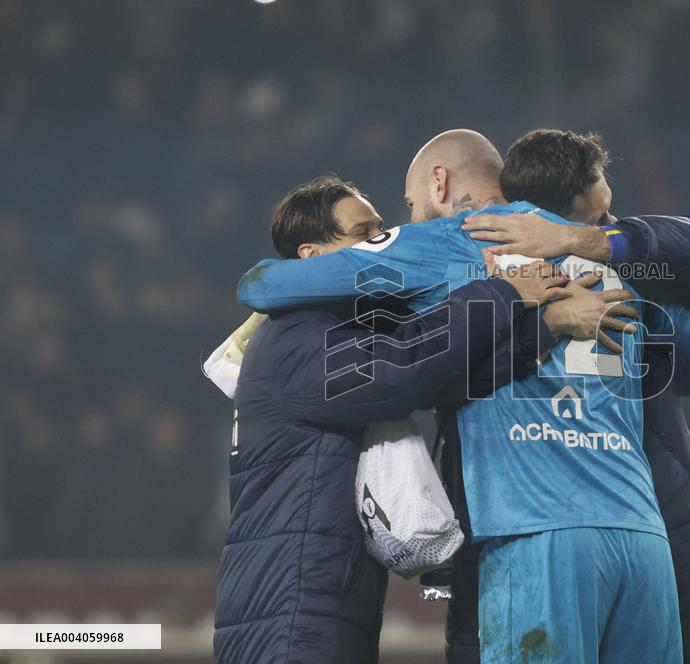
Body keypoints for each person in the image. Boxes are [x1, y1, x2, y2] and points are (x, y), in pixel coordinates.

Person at [237, 130, 690, 662]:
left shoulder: (441, 241)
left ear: (439, 182)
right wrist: (608, 254)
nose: (407, 220)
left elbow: (261, 284)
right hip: (642, 539)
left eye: (410, 205)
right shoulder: (599, 246)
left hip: (531, 535)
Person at [212, 175, 623, 664]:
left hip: (312, 602)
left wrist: (549, 325)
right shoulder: (294, 335)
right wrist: (503, 292)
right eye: (365, 234)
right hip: (289, 614)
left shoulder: (334, 332)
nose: (386, 247)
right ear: (313, 257)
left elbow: (439, 375)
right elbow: (398, 370)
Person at [459, 128, 690, 663]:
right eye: (598, 221)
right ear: (551, 219)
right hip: (642, 523)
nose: (612, 230)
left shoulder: (471, 268)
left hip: (534, 531)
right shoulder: (631, 285)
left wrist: (596, 244)